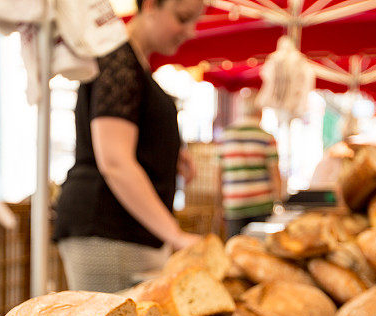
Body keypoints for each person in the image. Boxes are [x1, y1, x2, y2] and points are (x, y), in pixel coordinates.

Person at [54, 0, 204, 293]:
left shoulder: (132, 62)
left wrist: (168, 152)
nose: (190, 31)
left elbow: (126, 140)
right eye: (183, 18)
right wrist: (175, 236)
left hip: (118, 232)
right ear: (150, 5)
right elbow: (114, 161)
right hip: (109, 229)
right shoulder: (118, 59)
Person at [218, 91, 282, 237]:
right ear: (260, 111)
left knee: (234, 250)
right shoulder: (266, 137)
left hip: (233, 204)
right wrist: (278, 201)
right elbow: (275, 174)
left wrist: (220, 205)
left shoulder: (225, 136)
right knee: (260, 248)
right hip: (261, 204)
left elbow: (219, 174)